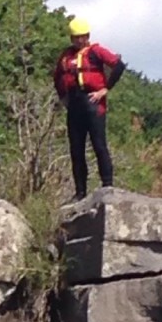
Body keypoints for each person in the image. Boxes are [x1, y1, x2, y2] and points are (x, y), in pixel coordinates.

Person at [53, 17, 126, 201]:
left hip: (93, 103)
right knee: (76, 150)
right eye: (76, 37)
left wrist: (105, 89)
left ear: (88, 36)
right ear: (71, 37)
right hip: (75, 105)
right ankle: (80, 192)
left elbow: (118, 66)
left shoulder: (96, 51)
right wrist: (63, 98)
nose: (80, 40)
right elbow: (58, 77)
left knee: (99, 145)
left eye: (83, 37)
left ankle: (107, 186)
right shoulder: (66, 56)